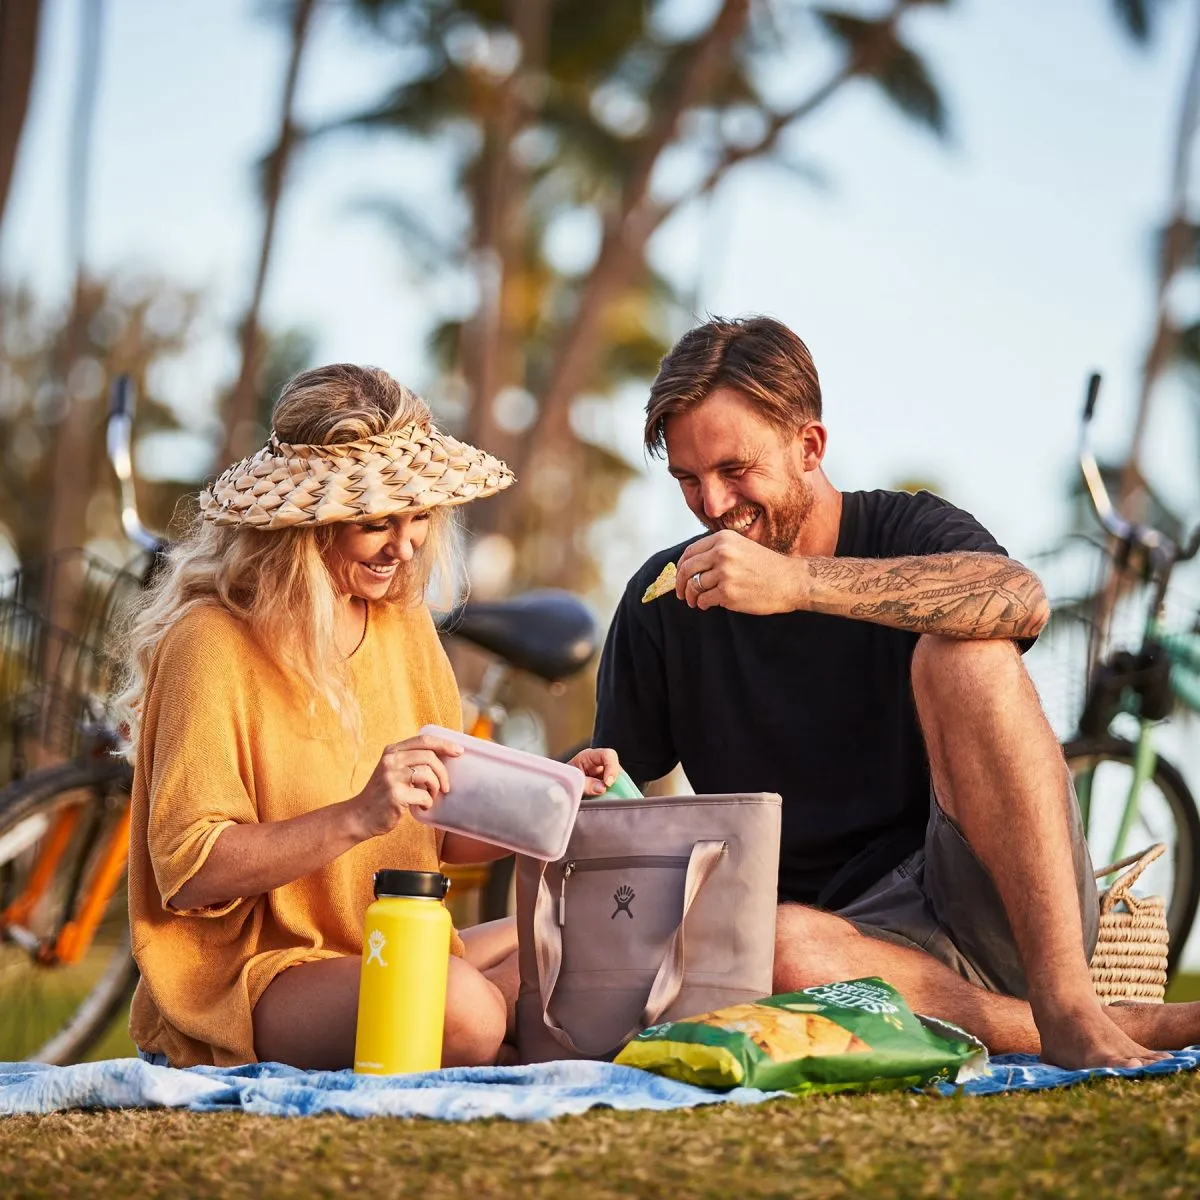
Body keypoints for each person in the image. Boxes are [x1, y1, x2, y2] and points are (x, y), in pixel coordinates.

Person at [595, 315, 1200, 1069]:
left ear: (809, 448)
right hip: (833, 952)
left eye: (734, 470)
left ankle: (1071, 1005)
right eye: (688, 479)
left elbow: (1022, 599)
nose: (712, 504)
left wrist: (798, 585)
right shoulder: (659, 602)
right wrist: (604, 790)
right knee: (778, 946)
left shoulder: (907, 524)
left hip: (986, 903)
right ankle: (1120, 1026)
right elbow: (630, 800)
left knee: (966, 655)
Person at [118, 363, 618, 1070]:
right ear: (301, 523)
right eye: (375, 523)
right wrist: (357, 814)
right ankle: (499, 1034)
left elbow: (445, 833)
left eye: (418, 517)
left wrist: (556, 795)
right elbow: (190, 870)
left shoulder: (399, 623)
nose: (405, 545)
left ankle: (502, 1035)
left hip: (398, 943)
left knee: (604, 948)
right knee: (466, 1010)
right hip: (263, 976)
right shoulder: (210, 642)